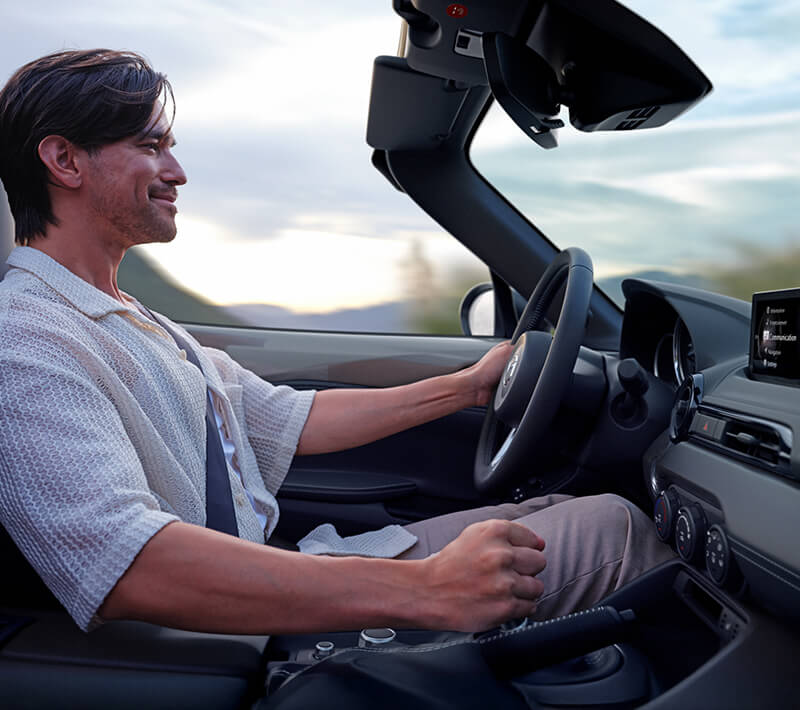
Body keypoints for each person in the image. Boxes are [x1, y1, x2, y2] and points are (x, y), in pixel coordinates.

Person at [0, 49, 673, 635]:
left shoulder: (128, 318)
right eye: (150, 147)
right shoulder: (25, 342)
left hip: (284, 575)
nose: (176, 171)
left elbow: (292, 419)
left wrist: (468, 385)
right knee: (615, 535)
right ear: (64, 160)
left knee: (565, 512)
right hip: (229, 635)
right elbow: (127, 568)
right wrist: (428, 590)